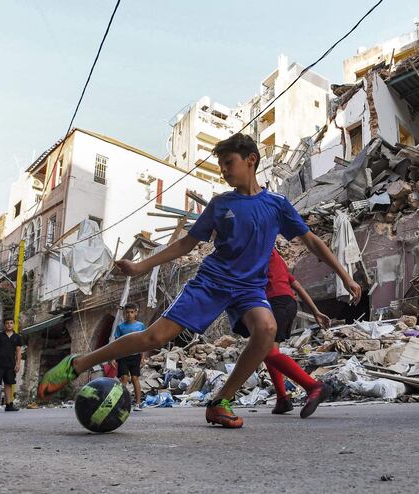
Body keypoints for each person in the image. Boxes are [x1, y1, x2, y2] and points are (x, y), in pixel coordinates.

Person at [37, 133, 361, 427]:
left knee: (267, 329)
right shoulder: (221, 204)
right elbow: (185, 244)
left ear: (251, 159)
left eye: (228, 163)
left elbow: (312, 241)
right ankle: (78, 362)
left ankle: (220, 401)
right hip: (212, 280)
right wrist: (141, 267)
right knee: (154, 339)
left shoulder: (276, 205)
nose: (224, 171)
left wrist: (344, 275)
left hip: (249, 287)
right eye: (221, 166)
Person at [233, 248, 331, 417]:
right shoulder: (276, 258)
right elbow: (296, 285)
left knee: (264, 350)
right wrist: (315, 311)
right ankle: (282, 399)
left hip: (276, 302)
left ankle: (313, 386)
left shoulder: (261, 251)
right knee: (270, 351)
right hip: (287, 303)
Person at [111, 302, 146, 411]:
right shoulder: (120, 327)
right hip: (123, 356)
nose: (129, 314)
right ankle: (120, 403)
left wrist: (143, 356)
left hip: (135, 356)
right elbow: (116, 344)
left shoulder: (140, 326)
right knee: (124, 378)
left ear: (136, 312)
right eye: (127, 312)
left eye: (131, 312)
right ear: (124, 313)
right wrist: (113, 357)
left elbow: (143, 342)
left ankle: (138, 403)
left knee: (135, 378)